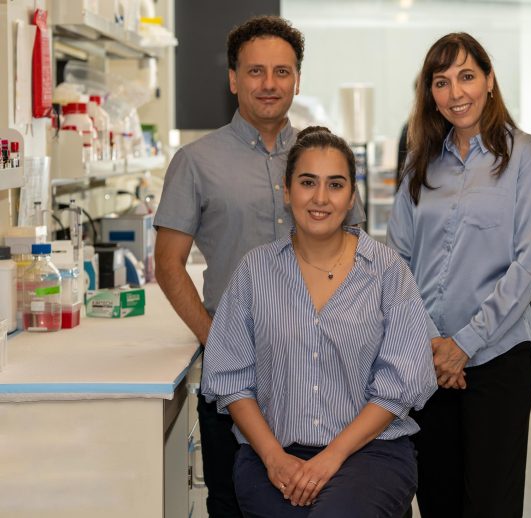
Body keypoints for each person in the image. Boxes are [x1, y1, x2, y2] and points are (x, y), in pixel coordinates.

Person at [153, 16, 365, 517]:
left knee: (331, 499)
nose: (269, 84)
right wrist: (218, 341)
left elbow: (356, 253)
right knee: (233, 502)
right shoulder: (196, 161)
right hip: (237, 379)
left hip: (324, 374)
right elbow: (168, 264)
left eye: (282, 72)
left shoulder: (323, 158)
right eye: (255, 72)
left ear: (297, 79)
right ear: (233, 79)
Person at [200, 126, 437, 518]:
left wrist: (332, 457)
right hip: (271, 456)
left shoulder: (387, 272)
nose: (320, 198)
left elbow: (399, 386)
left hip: (370, 452)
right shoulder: (254, 272)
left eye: (336, 184)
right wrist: (275, 458)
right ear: (287, 190)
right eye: (308, 182)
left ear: (351, 196)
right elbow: (230, 380)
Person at [387, 33, 531, 517]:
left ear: (489, 80)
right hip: (427, 361)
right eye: (441, 82)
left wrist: (463, 345)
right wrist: (432, 343)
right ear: (430, 94)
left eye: (466, 76)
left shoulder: (529, 158)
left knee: (490, 504)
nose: (455, 92)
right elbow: (397, 261)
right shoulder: (420, 165)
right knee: (437, 499)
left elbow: (527, 267)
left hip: (497, 361)